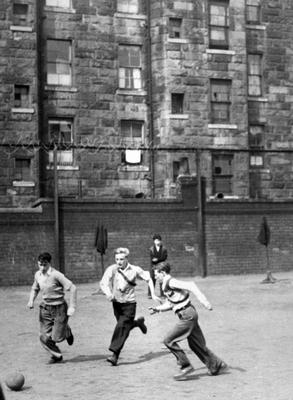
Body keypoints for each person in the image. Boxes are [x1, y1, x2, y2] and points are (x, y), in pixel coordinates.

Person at [149, 262, 227, 381]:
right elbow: (171, 303)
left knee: (168, 340)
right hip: (187, 314)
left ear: (163, 273)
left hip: (187, 315)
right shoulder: (165, 284)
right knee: (195, 344)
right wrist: (157, 309)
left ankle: (186, 365)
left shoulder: (171, 281)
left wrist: (204, 302)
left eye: (156, 275)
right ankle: (215, 365)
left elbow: (191, 285)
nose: (155, 277)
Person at [100, 247, 160, 366]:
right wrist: (108, 293)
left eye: (121, 259)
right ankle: (137, 323)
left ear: (127, 258)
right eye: (117, 259)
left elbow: (149, 278)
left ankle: (114, 356)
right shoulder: (112, 269)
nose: (119, 262)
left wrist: (153, 294)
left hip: (129, 304)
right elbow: (103, 283)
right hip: (116, 303)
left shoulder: (134, 269)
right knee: (124, 328)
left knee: (121, 327)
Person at [27, 252, 77, 363]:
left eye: (45, 265)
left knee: (56, 338)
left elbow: (73, 288)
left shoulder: (56, 275)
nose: (42, 267)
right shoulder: (38, 275)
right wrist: (31, 300)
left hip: (59, 308)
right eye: (40, 264)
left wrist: (72, 306)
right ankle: (57, 356)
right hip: (45, 308)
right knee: (44, 337)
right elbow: (35, 288)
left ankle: (66, 330)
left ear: (49, 263)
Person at [148, 234, 168, 298]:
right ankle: (150, 294)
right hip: (153, 266)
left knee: (161, 280)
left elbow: (164, 257)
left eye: (159, 240)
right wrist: (156, 260)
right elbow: (152, 259)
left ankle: (163, 294)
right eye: (156, 240)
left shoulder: (164, 249)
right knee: (152, 279)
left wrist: (157, 259)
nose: (157, 242)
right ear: (154, 241)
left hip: (161, 266)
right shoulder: (151, 249)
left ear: (161, 241)